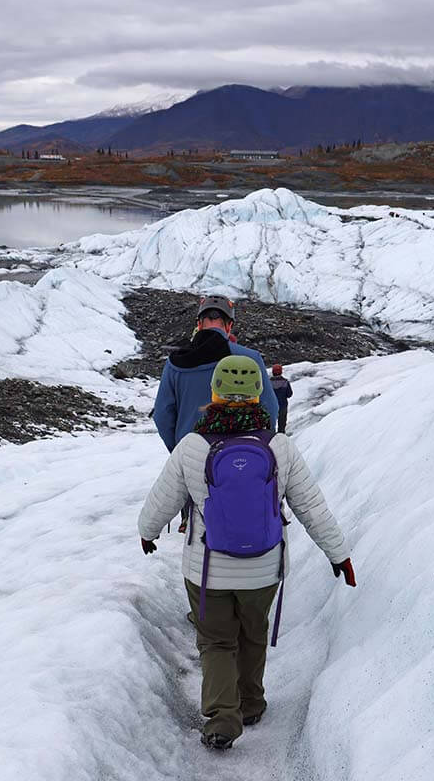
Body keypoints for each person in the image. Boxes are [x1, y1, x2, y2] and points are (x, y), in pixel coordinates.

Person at [138, 356, 356, 752]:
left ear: (214, 393)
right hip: (263, 569)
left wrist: (147, 533)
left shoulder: (192, 446)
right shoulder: (279, 446)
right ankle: (251, 703)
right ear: (259, 393)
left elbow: (161, 503)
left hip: (207, 571)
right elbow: (312, 507)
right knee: (252, 633)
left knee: (217, 641)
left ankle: (224, 717)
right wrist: (338, 554)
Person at [152, 295, 279, 452]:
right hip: (240, 452)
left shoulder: (175, 363)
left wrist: (178, 451)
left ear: (199, 324)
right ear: (229, 326)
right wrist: (263, 442)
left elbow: (162, 415)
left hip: (190, 452)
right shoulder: (250, 358)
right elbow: (270, 408)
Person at [269, 364, 294, 433]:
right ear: (281, 372)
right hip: (282, 405)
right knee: (282, 424)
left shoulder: (268, 382)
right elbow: (289, 394)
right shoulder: (285, 382)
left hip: (271, 406)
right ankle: (281, 438)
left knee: (270, 424)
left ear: (273, 372)